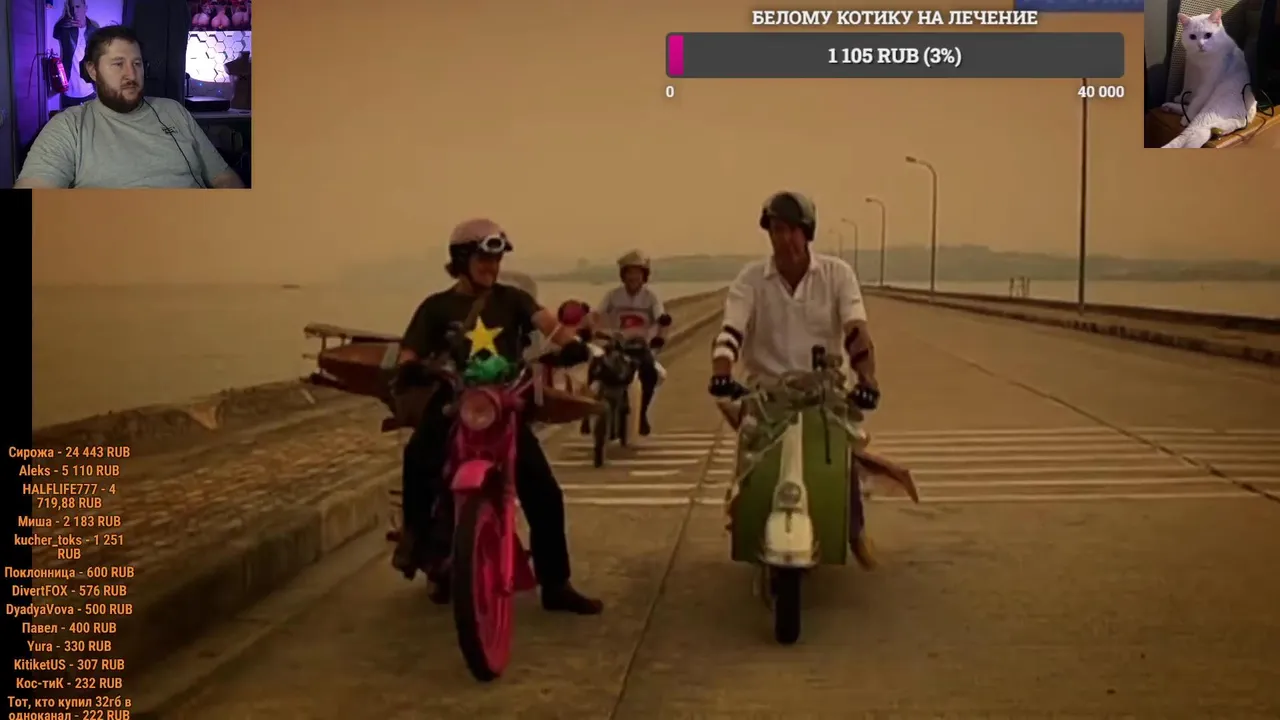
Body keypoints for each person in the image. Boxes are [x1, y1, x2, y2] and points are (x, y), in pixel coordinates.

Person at [392, 218, 603, 615]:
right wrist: (409, 368)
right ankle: (415, 539)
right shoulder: (435, 307)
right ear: (461, 260)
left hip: (502, 404)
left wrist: (574, 345)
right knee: (417, 456)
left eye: (496, 259)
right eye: (484, 259)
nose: (492, 266)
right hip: (453, 400)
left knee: (544, 492)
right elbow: (410, 351)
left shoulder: (513, 299)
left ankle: (556, 584)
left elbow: (550, 326)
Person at [707, 191, 882, 570]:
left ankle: (854, 531)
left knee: (841, 455)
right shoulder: (751, 279)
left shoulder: (837, 275)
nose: (783, 238)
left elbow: (855, 329)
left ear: (807, 232)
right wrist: (721, 372)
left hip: (823, 390)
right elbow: (731, 330)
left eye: (791, 230)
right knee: (749, 460)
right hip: (767, 393)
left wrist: (867, 379)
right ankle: (742, 517)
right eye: (775, 230)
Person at [16, 25, 244, 189]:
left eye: (137, 63)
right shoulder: (69, 126)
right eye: (118, 64)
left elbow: (223, 178)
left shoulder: (174, 111)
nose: (131, 75)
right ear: (93, 70)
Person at [585, 250, 672, 436]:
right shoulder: (612, 295)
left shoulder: (651, 297)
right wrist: (590, 325)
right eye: (629, 272)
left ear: (644, 275)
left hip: (640, 345)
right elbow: (597, 314)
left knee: (650, 373)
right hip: (616, 342)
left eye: (637, 273)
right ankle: (587, 411)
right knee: (595, 367)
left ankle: (642, 414)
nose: (633, 277)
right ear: (623, 275)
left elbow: (662, 318)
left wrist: (660, 337)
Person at [52, 0, 101, 110]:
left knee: (90, 120)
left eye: (78, 7)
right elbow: (55, 33)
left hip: (90, 91)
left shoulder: (94, 30)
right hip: (69, 91)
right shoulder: (65, 29)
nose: (75, 11)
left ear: (85, 8)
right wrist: (63, 20)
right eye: (72, 7)